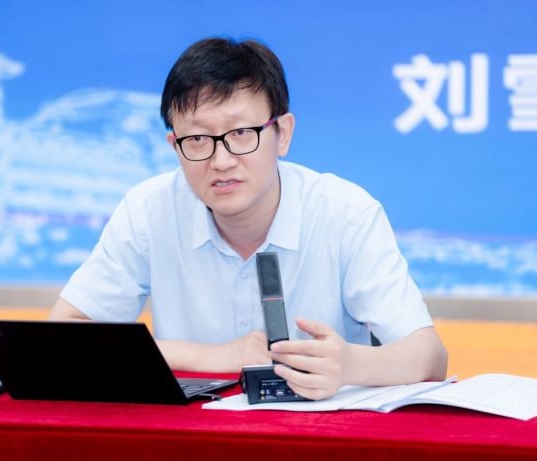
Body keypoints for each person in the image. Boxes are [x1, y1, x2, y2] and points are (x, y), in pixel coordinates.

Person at [49, 37, 448, 400]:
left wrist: (350, 365)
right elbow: (63, 337)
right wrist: (207, 356)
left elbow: (430, 356)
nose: (221, 161)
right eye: (197, 139)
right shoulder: (147, 212)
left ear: (283, 133)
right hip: (190, 435)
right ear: (175, 146)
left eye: (241, 133)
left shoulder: (346, 215)